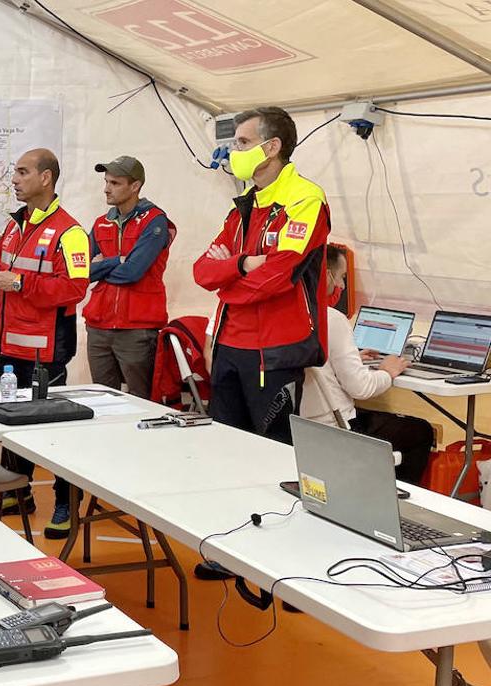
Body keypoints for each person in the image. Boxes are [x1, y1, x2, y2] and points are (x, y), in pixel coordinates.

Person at [193, 106, 331, 446]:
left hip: (275, 352)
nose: (234, 151)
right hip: (228, 346)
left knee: (274, 451)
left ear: (272, 147)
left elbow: (276, 276)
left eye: (243, 142)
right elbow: (202, 271)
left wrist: (227, 282)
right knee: (226, 446)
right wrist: (241, 264)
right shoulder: (244, 204)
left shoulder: (305, 200)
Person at [0, 148, 90, 537]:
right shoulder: (13, 226)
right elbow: (10, 281)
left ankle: (65, 503)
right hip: (10, 345)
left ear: (46, 178)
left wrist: (20, 282)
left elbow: (75, 288)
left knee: (53, 430)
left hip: (47, 349)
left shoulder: (71, 233)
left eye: (23, 172)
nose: (14, 179)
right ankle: (16, 492)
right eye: (15, 172)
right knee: (11, 422)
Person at [300, 245, 433, 484]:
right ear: (327, 275)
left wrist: (351, 358)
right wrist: (387, 372)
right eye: (341, 277)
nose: (342, 286)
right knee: (420, 430)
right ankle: (397, 498)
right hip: (337, 426)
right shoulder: (332, 318)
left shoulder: (291, 314)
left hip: (302, 424)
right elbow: (361, 388)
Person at [84, 155, 174, 398]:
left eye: (115, 183)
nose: (106, 189)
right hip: (98, 326)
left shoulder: (155, 220)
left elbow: (133, 272)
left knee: (141, 401)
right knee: (102, 400)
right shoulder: (101, 223)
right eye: (106, 182)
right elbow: (81, 271)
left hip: (137, 328)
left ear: (135, 186)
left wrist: (103, 265)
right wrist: (118, 260)